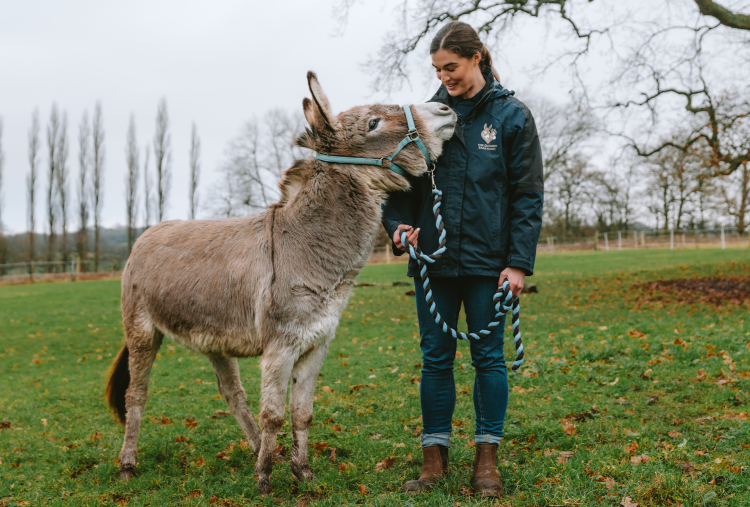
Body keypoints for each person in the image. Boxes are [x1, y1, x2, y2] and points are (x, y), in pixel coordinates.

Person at [381, 20, 544, 497]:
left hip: (488, 263)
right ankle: (434, 460)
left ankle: (486, 461)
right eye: (437, 69)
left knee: (488, 359)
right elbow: (399, 186)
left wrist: (517, 263)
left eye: (450, 66)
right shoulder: (424, 120)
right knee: (435, 359)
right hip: (432, 261)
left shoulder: (513, 118)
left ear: (477, 57)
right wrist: (398, 227)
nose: (444, 76)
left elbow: (527, 196)